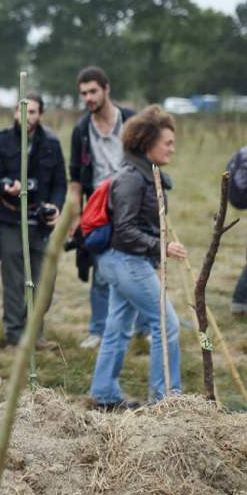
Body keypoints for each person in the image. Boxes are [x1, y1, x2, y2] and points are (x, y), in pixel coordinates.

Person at [89, 105, 185, 409]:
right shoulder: (131, 178)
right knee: (167, 325)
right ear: (147, 144)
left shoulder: (148, 174)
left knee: (117, 327)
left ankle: (103, 394)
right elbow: (125, 230)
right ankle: (166, 399)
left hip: (124, 262)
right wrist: (161, 246)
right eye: (167, 142)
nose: (173, 147)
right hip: (126, 261)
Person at [0, 93, 66, 347]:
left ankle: (35, 334)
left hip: (40, 223)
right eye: (22, 111)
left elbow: (60, 183)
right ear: (15, 113)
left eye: (32, 112)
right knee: (15, 281)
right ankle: (14, 336)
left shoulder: (51, 143)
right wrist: (6, 185)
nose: (26, 117)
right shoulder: (0, 141)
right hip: (9, 219)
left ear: (40, 115)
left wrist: (55, 206)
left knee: (44, 283)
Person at [69, 67, 138, 349]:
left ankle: (144, 327)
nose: (88, 97)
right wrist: (74, 215)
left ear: (107, 89)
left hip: (132, 204)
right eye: (83, 93)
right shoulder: (81, 130)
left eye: (93, 91)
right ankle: (98, 330)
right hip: (98, 209)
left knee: (137, 267)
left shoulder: (132, 120)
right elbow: (75, 178)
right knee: (100, 271)